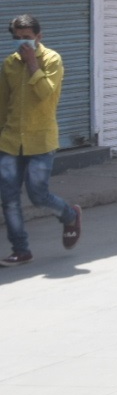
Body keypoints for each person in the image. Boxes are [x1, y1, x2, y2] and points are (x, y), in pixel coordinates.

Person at [0, 15, 81, 267]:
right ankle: (21, 250)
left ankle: (69, 215)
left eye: (27, 37)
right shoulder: (9, 64)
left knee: (38, 195)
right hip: (10, 140)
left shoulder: (52, 60)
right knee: (9, 199)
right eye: (17, 38)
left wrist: (33, 64)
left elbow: (46, 93)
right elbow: (3, 103)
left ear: (38, 36)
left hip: (41, 140)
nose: (22, 42)